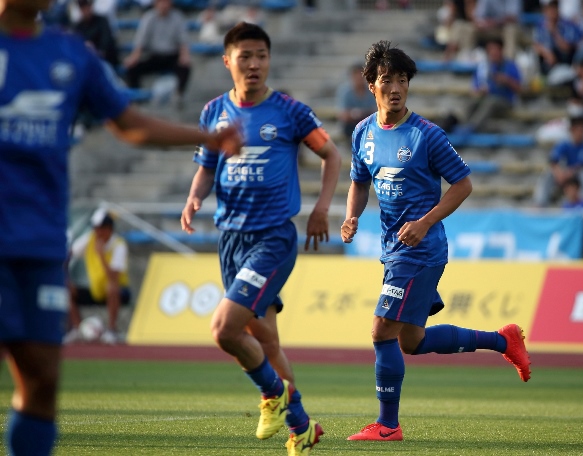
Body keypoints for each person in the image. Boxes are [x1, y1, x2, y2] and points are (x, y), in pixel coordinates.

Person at [0, 1, 241, 454]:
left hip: (40, 244)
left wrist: (207, 138)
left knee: (42, 379)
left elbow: (129, 124)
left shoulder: (71, 54)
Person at [340, 40, 531, 442]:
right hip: (393, 249)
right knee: (411, 341)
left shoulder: (427, 135)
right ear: (371, 86)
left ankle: (388, 426)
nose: (396, 88)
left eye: (402, 80)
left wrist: (425, 222)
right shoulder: (363, 132)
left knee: (381, 330)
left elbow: (463, 185)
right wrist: (351, 215)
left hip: (421, 250)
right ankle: (503, 340)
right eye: (387, 80)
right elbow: (359, 181)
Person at [179, 22, 341, 456]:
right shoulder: (214, 111)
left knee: (225, 329)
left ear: (269, 60)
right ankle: (302, 426)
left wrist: (321, 209)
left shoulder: (290, 111)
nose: (254, 64)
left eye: (261, 56)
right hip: (230, 239)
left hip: (272, 238)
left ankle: (273, 394)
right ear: (227, 61)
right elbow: (207, 166)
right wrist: (194, 197)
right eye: (245, 56)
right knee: (265, 341)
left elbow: (330, 154)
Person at [64, 210, 131, 345]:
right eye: (95, 228)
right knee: (65, 288)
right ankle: (77, 329)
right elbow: (68, 255)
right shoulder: (90, 239)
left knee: (112, 286)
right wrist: (65, 276)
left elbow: (113, 276)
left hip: (118, 291)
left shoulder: (119, 245)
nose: (97, 232)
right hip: (95, 289)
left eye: (100, 228)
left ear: (109, 228)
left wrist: (101, 256)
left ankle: (112, 330)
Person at [124, 0, 192, 106]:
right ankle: (136, 99)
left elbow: (183, 41)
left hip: (172, 56)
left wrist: (185, 56)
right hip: (154, 56)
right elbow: (141, 41)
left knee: (185, 67)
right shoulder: (149, 17)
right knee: (132, 68)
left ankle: (179, 94)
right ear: (156, 3)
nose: (164, 5)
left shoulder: (177, 17)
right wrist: (134, 57)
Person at [533, 114, 583, 207]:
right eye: (577, 129)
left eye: (582, 129)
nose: (580, 132)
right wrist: (559, 172)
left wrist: (568, 173)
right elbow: (553, 159)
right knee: (549, 173)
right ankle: (540, 204)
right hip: (568, 176)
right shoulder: (566, 143)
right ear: (571, 130)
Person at [462, 37, 521, 133]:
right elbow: (474, 90)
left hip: (505, 101)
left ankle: (471, 128)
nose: (492, 52)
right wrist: (480, 91)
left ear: (501, 50)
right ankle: (466, 126)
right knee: (472, 103)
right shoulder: (483, 67)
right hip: (486, 99)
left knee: (491, 102)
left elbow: (519, 89)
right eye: (490, 50)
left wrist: (507, 81)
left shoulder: (510, 65)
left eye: (495, 49)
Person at [533, 0, 583, 76]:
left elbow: (567, 48)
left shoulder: (567, 24)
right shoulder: (541, 25)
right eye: (550, 9)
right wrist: (547, 53)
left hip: (564, 59)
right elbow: (536, 45)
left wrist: (554, 33)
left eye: (554, 8)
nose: (552, 12)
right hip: (549, 59)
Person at [336, 63, 378, 139]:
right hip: (352, 125)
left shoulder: (372, 90)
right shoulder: (345, 92)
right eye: (356, 75)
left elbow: (377, 111)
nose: (359, 78)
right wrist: (354, 114)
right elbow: (343, 115)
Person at [73, 0, 119, 68]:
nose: (86, 10)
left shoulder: (102, 21)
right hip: (87, 61)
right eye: (83, 8)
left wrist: (95, 50)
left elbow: (106, 43)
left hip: (105, 60)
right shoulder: (78, 26)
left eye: (87, 7)